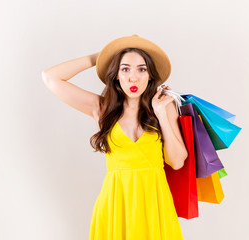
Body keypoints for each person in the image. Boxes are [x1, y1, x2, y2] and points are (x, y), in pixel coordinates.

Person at [42, 34, 188, 239]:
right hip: (115, 205)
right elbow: (50, 77)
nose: (133, 77)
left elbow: (177, 161)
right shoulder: (101, 109)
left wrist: (162, 114)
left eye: (142, 69)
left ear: (150, 76)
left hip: (155, 205)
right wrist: (97, 58)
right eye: (125, 69)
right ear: (116, 75)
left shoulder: (165, 107)